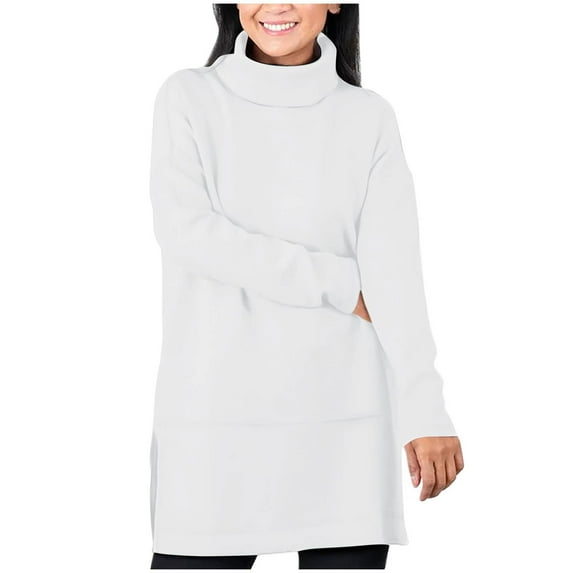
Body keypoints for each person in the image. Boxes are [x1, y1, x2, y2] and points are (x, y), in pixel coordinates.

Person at [147, 3, 464, 570]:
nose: (277, 5)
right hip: (215, 423)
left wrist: (427, 410)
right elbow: (189, 233)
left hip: (346, 423)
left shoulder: (367, 117)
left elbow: (396, 274)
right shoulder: (189, 98)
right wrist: (340, 281)